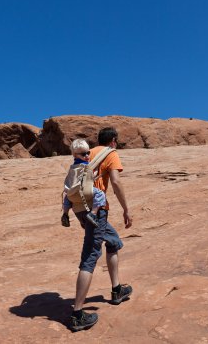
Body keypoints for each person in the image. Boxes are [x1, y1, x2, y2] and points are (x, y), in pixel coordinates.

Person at [70, 127, 133, 332]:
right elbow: (115, 182)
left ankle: (117, 290)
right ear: (113, 141)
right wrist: (126, 209)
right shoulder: (111, 154)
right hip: (97, 212)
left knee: (113, 241)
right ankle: (78, 314)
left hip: (82, 209)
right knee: (90, 255)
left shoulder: (89, 152)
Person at [61, 139, 106, 228]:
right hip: (85, 191)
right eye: (83, 154)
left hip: (73, 193)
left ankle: (65, 214)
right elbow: (91, 176)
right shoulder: (86, 165)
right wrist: (97, 171)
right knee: (100, 194)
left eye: (88, 153)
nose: (86, 156)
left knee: (67, 197)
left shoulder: (73, 167)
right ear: (75, 155)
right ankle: (93, 213)